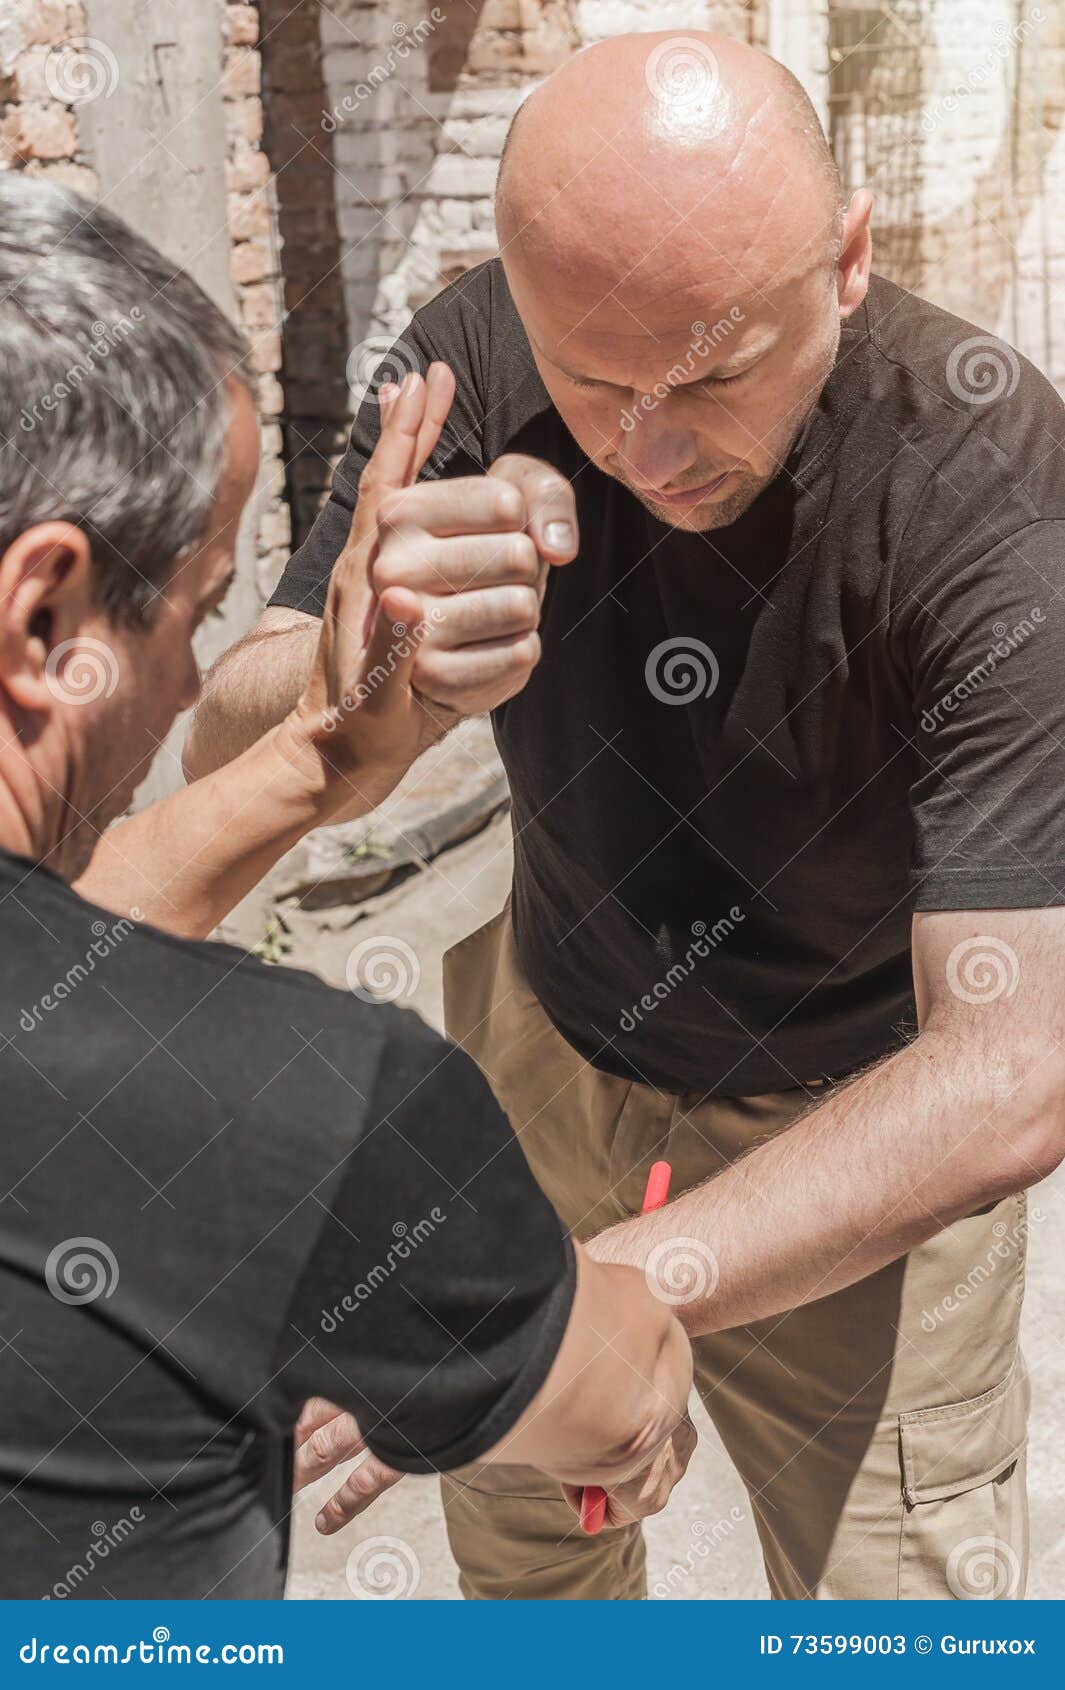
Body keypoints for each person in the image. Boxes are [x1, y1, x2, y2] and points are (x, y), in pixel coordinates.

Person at [186, 31, 1065, 1601]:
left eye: (712, 375)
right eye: (590, 384)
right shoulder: (467, 355)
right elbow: (225, 724)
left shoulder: (988, 477)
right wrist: (350, 683)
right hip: (547, 1047)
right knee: (526, 1568)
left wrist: (581, 1302)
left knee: (900, 1612)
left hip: (851, 1123)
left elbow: (1012, 1063)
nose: (645, 451)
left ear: (848, 260)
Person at [0, 175, 695, 1601]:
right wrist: (618, 1317)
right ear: (43, 616)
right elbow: (616, 1401)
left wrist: (324, 753)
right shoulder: (300, 1103)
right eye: (193, 611)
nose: (194, 680)